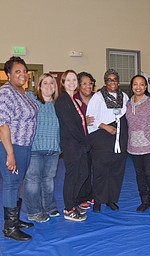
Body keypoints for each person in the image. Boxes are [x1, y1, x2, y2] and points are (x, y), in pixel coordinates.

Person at [0, 56, 38, 241]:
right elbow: (2, 124)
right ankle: (9, 228)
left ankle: (15, 221)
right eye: (17, 71)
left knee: (18, 182)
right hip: (11, 146)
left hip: (24, 145)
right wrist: (10, 154)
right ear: (8, 75)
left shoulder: (22, 92)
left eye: (24, 71)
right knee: (10, 183)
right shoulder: (6, 92)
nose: (22, 74)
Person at [86, 69, 128, 213]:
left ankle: (112, 199)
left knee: (116, 171)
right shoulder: (97, 97)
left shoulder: (124, 96)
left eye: (115, 79)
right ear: (105, 82)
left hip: (120, 137)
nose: (112, 82)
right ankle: (98, 201)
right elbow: (90, 118)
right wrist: (105, 127)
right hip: (102, 137)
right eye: (109, 80)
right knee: (100, 171)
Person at [126, 75, 150, 214]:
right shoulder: (128, 103)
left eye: (141, 84)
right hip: (134, 146)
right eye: (135, 84)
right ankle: (144, 201)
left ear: (145, 87)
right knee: (140, 175)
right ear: (132, 86)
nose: (138, 87)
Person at [23, 73, 61, 223]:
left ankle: (50, 207)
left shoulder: (58, 104)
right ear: (39, 86)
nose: (49, 86)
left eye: (52, 83)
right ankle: (34, 211)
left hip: (53, 149)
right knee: (33, 180)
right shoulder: (32, 100)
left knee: (49, 180)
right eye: (45, 83)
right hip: (35, 149)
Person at [54, 70, 90, 222]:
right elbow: (70, 126)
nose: (72, 82)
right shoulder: (62, 100)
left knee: (83, 173)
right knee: (72, 176)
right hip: (72, 145)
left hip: (78, 144)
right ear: (63, 82)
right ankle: (69, 209)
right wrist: (85, 141)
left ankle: (73, 202)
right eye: (68, 80)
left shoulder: (73, 100)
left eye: (74, 79)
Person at [74, 72, 95, 210]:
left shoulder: (97, 98)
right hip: (79, 141)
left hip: (95, 139)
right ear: (79, 85)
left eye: (90, 83)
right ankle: (80, 197)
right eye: (84, 83)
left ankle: (90, 194)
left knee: (93, 168)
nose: (88, 86)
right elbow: (68, 121)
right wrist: (82, 121)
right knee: (82, 170)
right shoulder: (73, 99)